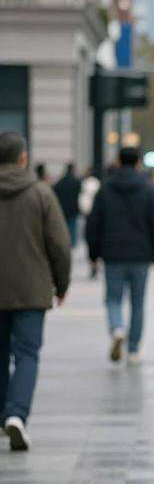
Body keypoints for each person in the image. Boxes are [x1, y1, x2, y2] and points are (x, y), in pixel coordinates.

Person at [0, 132, 71, 451]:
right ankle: (17, 414)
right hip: (31, 289)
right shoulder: (41, 194)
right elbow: (59, 244)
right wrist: (62, 283)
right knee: (26, 354)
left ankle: (4, 413)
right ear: (23, 158)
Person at [86, 146, 154, 363]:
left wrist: (93, 253)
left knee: (113, 298)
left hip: (112, 253)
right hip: (141, 254)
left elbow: (94, 223)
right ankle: (133, 349)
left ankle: (117, 329)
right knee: (138, 302)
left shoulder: (105, 188)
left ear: (119, 162)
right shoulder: (149, 189)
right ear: (139, 163)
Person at [53, 162, 83, 250]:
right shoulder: (76, 182)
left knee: (65, 228)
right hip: (73, 208)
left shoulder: (60, 182)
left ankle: (66, 243)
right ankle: (73, 245)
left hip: (63, 208)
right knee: (73, 228)